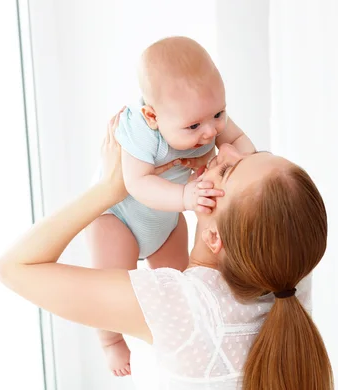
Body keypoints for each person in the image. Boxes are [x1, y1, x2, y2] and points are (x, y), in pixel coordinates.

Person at [0, 110, 333, 389]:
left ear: (216, 239)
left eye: (228, 169)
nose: (226, 149)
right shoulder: (292, 277)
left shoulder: (182, 306)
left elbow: (14, 267)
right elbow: (265, 202)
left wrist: (110, 189)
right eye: (249, 153)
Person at [88, 36, 256, 374]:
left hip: (165, 221)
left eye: (218, 114)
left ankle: (186, 338)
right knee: (110, 289)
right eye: (194, 126)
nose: (210, 131)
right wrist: (184, 198)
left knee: (183, 285)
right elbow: (136, 184)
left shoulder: (203, 113)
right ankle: (111, 341)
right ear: (153, 115)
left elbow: (238, 141)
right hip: (120, 219)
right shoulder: (140, 130)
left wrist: (238, 156)